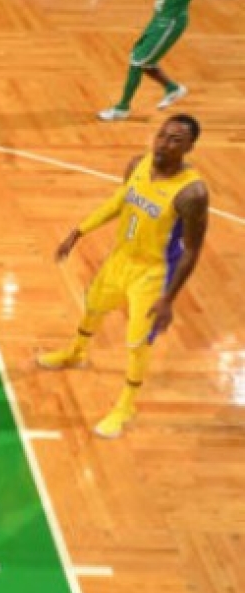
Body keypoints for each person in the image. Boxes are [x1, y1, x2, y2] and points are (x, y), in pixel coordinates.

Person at [36, 114, 209, 438]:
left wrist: (168, 299)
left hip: (153, 273)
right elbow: (118, 201)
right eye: (161, 135)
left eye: (175, 140)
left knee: (137, 341)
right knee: (93, 306)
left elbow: (192, 250)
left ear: (189, 147)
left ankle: (125, 406)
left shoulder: (192, 193)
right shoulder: (138, 164)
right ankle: (76, 352)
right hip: (121, 258)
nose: (164, 144)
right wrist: (78, 231)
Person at [97, 0, 245, 122]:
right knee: (144, 60)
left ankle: (121, 109)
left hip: (169, 24)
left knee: (137, 61)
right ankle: (172, 88)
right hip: (158, 19)